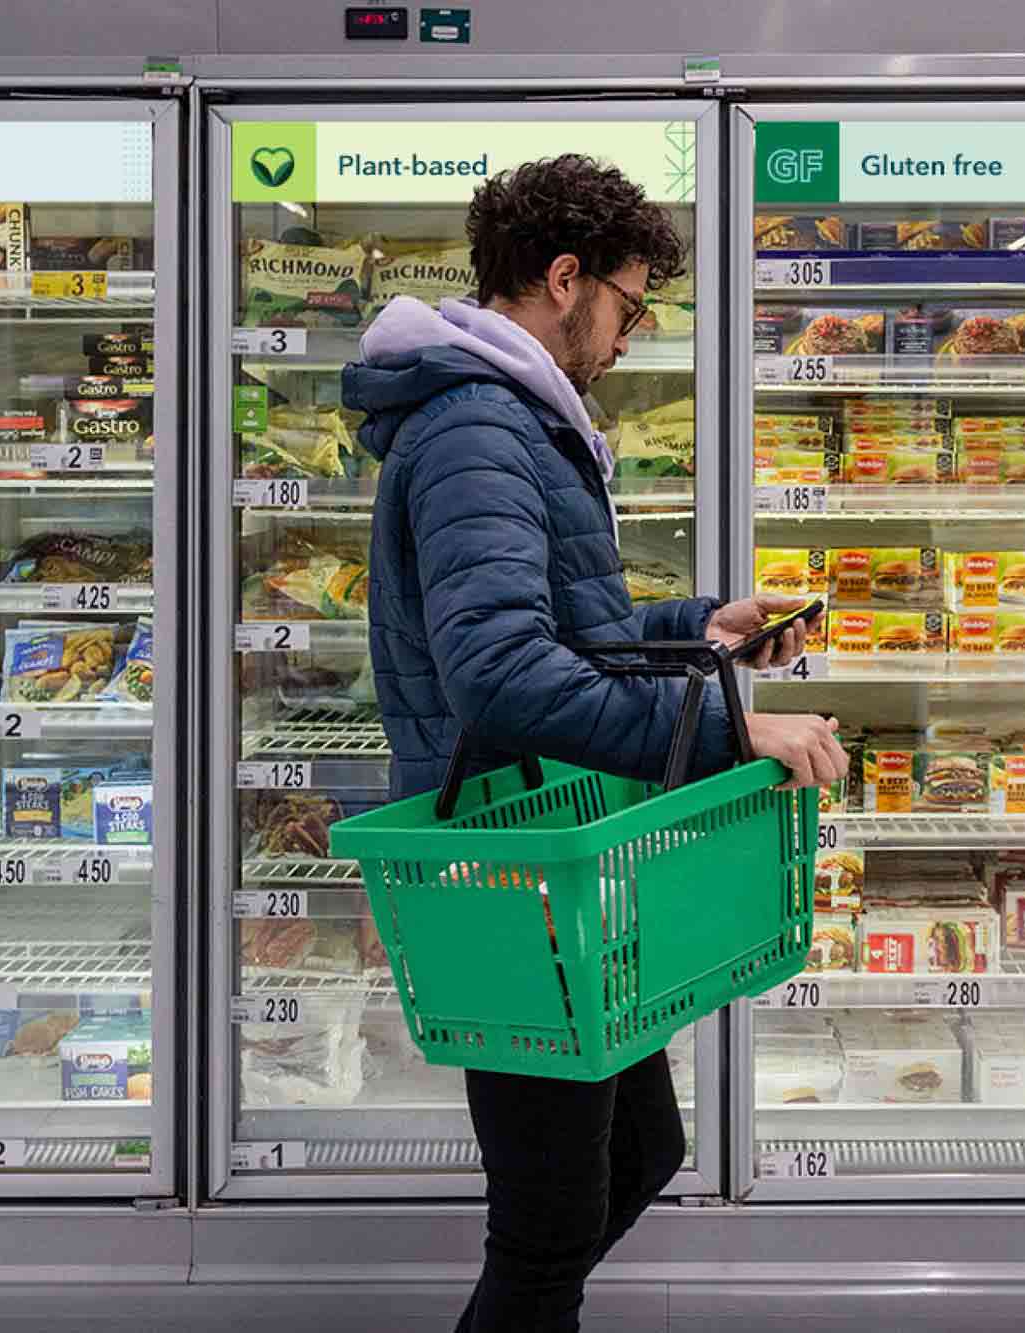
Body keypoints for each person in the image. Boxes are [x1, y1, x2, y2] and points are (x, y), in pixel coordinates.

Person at [342, 153, 848, 1332]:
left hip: (560, 844)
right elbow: (504, 676)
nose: (631, 335)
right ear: (564, 279)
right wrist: (734, 726)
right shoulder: (479, 426)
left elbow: (564, 633)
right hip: (507, 864)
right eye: (630, 303)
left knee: (642, 1152)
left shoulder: (514, 416)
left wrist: (696, 635)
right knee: (547, 1228)